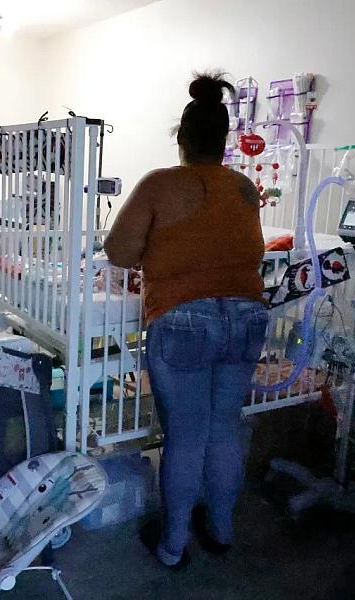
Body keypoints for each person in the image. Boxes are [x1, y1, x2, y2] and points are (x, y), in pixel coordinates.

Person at [104, 71, 269, 569]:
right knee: (224, 427)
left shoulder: (160, 183)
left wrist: (159, 251)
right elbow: (250, 250)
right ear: (224, 140)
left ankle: (173, 545)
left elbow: (117, 250)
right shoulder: (243, 187)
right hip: (246, 315)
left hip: (185, 319)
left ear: (182, 139)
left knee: (187, 435)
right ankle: (220, 528)